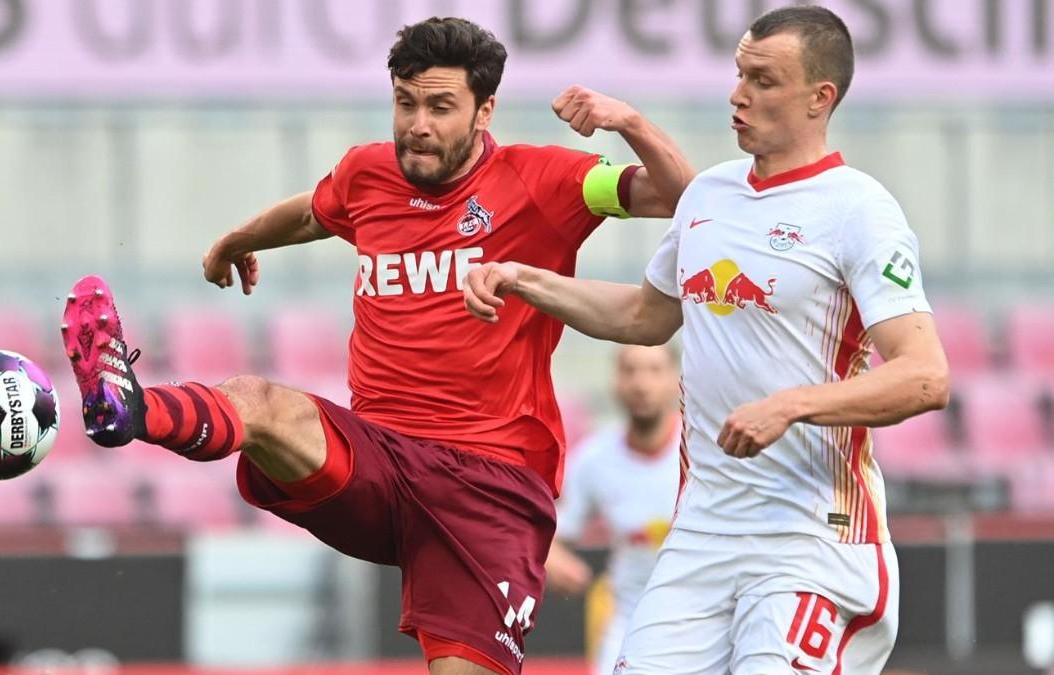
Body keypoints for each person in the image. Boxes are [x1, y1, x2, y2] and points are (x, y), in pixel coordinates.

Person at [60, 17, 693, 675]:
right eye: (405, 101)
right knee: (260, 400)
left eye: (441, 107)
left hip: (490, 488)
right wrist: (236, 240)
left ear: (485, 111)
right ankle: (127, 408)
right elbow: (311, 212)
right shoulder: (369, 173)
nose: (417, 123)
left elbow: (681, 199)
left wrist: (632, 125)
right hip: (378, 462)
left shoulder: (545, 181)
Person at [463, 5, 950, 673]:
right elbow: (643, 316)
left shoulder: (859, 211)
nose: (738, 93)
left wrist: (790, 404)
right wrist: (523, 278)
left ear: (820, 98)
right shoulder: (708, 196)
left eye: (763, 79)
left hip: (810, 539)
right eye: (738, 73)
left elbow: (926, 375)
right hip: (702, 535)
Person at [544, 344, 681, 675]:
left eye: (653, 370)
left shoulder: (705, 450)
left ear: (677, 379)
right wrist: (554, 561)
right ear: (615, 382)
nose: (641, 383)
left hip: (708, 617)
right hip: (630, 622)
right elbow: (550, 535)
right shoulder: (595, 460)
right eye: (630, 371)